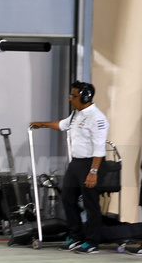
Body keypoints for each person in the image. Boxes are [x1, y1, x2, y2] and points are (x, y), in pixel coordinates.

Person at [31, 81, 109, 254]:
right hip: (77, 164)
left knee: (90, 204)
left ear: (85, 97)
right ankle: (75, 236)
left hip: (92, 164)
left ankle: (92, 242)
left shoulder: (98, 118)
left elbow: (99, 148)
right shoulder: (76, 114)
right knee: (67, 198)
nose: (70, 99)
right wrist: (42, 124)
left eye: (73, 96)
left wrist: (93, 172)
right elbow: (62, 125)